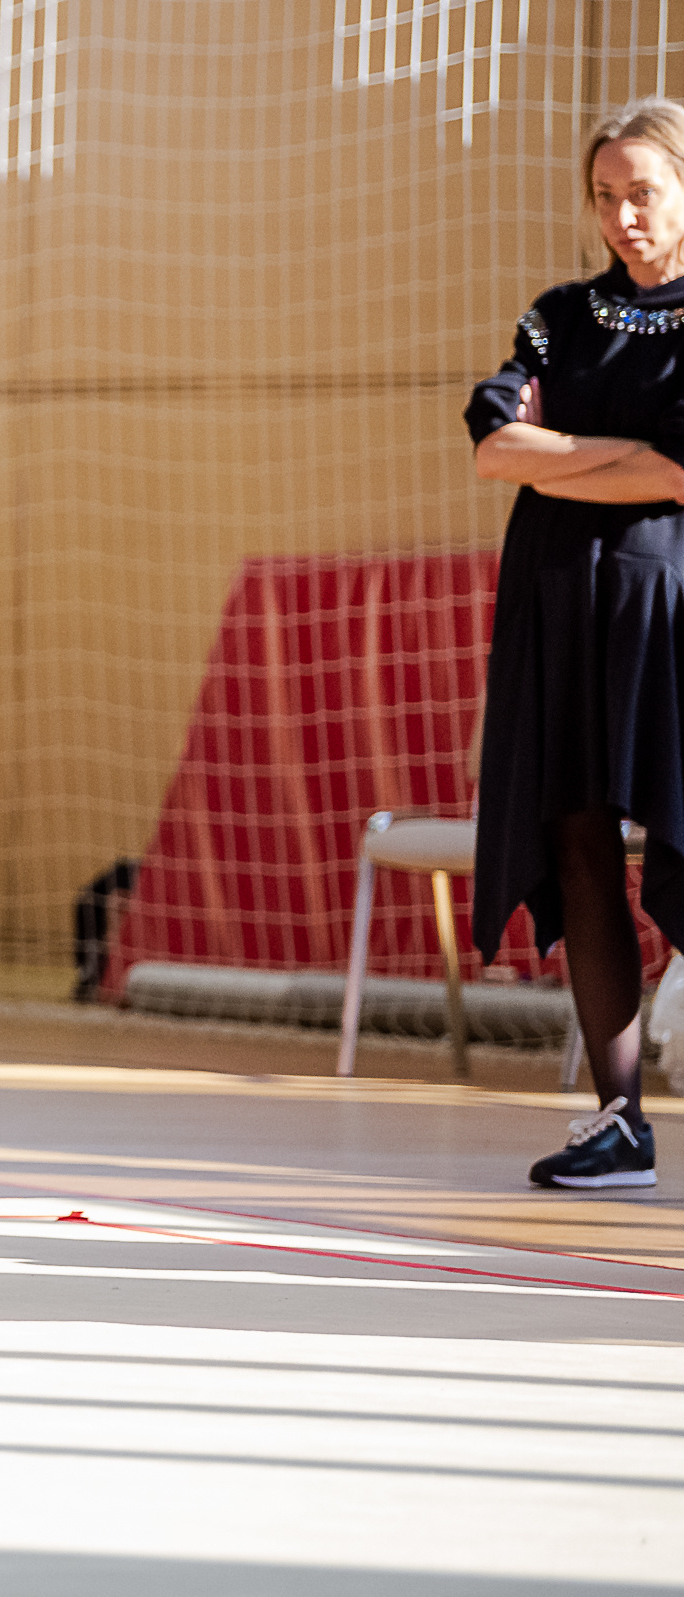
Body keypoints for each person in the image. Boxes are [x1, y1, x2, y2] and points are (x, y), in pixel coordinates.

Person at [467, 97, 684, 1190]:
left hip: (667, 614)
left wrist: (561, 454)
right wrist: (624, 453)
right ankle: (619, 1120)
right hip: (556, 606)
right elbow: (494, 444)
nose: (621, 217)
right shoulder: (560, 315)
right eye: (605, 197)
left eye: (642, 193)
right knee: (579, 840)